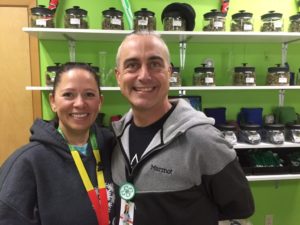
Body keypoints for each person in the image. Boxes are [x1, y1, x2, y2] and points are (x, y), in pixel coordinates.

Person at [111, 31, 255, 225]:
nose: (144, 75)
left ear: (169, 72)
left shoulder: (202, 140)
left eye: (155, 64)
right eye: (132, 65)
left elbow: (240, 206)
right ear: (118, 76)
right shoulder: (116, 137)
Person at [0, 62, 116, 225]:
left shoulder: (113, 148)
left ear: (100, 101)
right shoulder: (27, 162)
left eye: (89, 94)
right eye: (68, 94)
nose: (80, 103)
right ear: (53, 101)